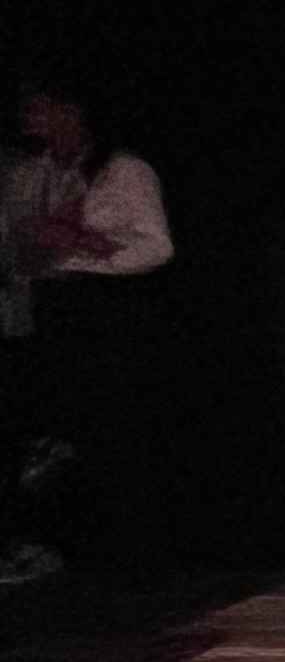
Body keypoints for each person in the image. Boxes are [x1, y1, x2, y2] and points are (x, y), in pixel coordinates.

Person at [1, 75, 176, 588]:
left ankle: (134, 555)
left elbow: (155, 246)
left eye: (41, 107)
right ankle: (78, 549)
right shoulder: (29, 174)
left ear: (72, 112)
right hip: (53, 305)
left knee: (113, 427)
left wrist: (87, 242)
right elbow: (20, 246)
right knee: (63, 432)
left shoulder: (121, 170)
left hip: (107, 306)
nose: (30, 117)